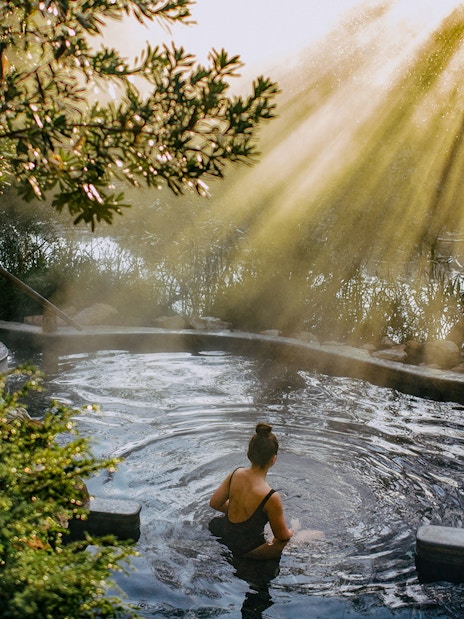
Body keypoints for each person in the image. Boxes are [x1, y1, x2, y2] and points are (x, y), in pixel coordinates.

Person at [209, 422, 293, 560]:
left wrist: (238, 509)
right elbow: (282, 537)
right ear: (274, 459)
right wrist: (293, 531)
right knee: (311, 535)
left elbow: (215, 503)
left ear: (249, 454)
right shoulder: (271, 496)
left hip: (225, 535)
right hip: (248, 548)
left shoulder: (236, 473)